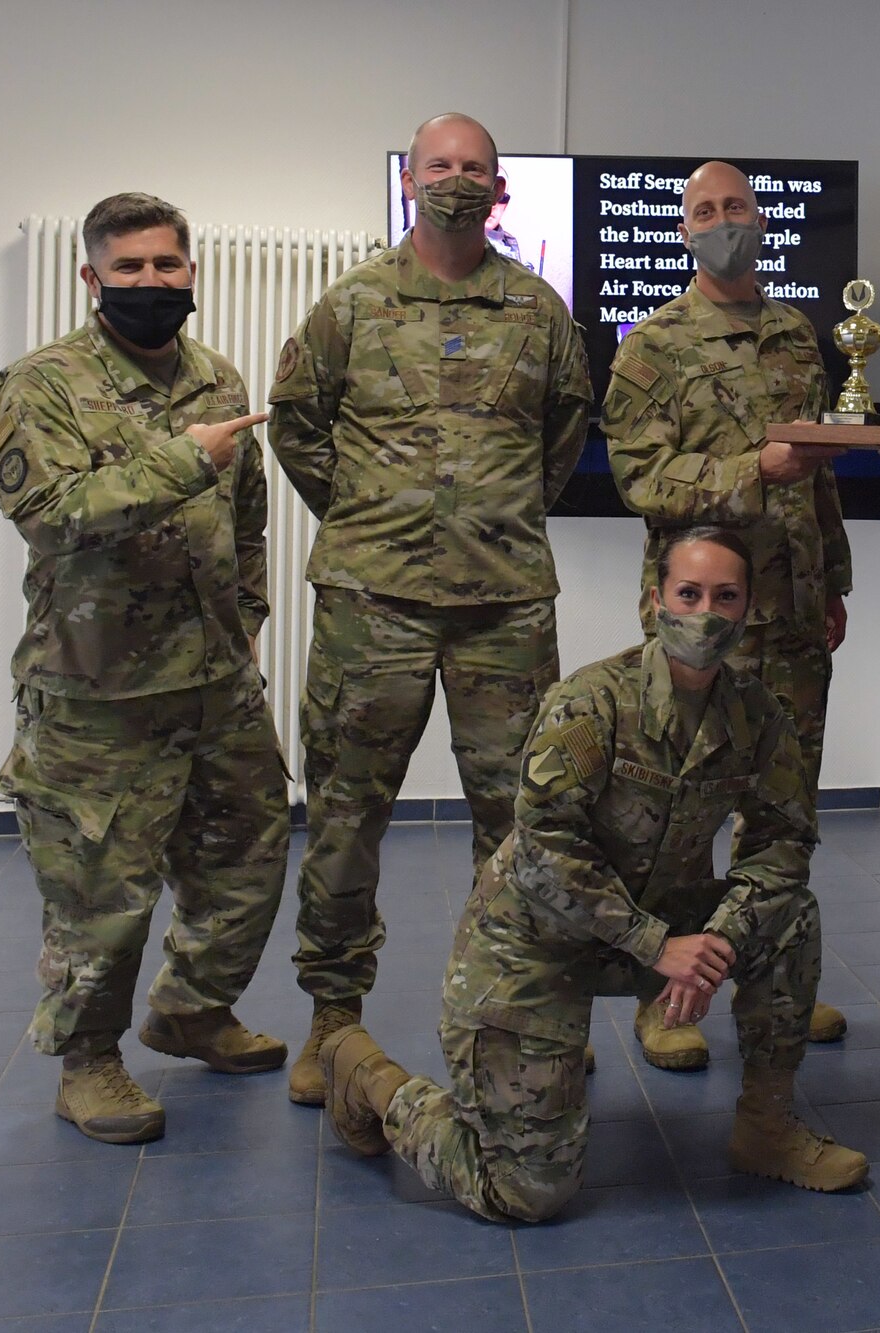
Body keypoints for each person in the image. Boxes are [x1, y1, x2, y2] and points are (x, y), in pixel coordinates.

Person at [318, 527, 869, 1219]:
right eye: (688, 593)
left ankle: (767, 1125)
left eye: (725, 597)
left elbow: (783, 840)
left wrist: (716, 942)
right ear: (656, 601)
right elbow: (545, 850)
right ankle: (370, 1076)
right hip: (535, 943)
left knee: (789, 915)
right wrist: (660, 947)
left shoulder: (757, 714)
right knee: (527, 1192)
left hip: (657, 923)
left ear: (747, 608)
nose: (705, 613)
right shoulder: (592, 703)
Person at [268, 112, 593, 1107]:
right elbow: (296, 425)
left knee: (520, 821)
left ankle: (518, 1013)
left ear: (500, 191)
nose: (456, 180)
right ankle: (333, 1018)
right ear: (410, 179)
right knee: (342, 816)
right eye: (439, 165)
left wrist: (485, 517)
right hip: (374, 602)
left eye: (475, 169)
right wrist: (373, 516)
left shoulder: (538, 310)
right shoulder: (352, 305)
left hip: (503, 606)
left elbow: (563, 434)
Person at [0, 192, 289, 1145]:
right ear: (91, 279)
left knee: (249, 852)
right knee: (100, 888)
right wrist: (179, 463)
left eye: (167, 266)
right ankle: (89, 1062)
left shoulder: (217, 377)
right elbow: (51, 512)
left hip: (214, 682)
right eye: (130, 269)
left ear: (191, 272)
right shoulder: (42, 384)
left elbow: (249, 523)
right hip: (96, 692)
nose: (151, 283)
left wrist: (248, 620)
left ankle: (192, 1008)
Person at [603, 159, 852, 1070]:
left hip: (793, 615)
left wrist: (836, 580)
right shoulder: (653, 345)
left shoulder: (798, 333)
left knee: (783, 812)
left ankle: (769, 979)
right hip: (701, 623)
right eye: (704, 210)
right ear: (682, 231)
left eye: (735, 206)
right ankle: (666, 1000)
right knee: (681, 815)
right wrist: (752, 471)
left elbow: (820, 474)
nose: (722, 220)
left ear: (759, 217)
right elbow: (640, 478)